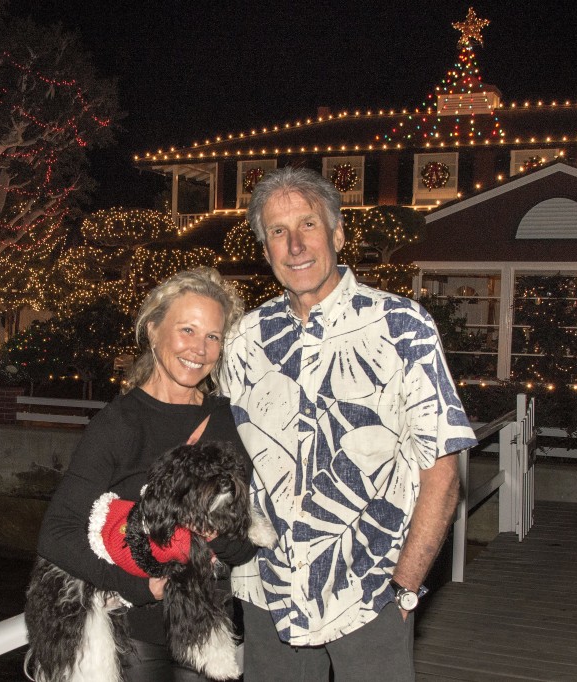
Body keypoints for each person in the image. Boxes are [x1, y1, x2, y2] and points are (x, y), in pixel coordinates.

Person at [222, 167, 478, 681]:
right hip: (265, 591)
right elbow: (227, 462)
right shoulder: (244, 339)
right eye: (277, 231)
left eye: (308, 225)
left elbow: (443, 471)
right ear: (265, 247)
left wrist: (404, 585)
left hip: (367, 589)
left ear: (337, 234)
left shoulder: (402, 326)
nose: (295, 245)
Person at [36, 267, 257, 681]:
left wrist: (215, 534)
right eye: (187, 330)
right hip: (136, 636)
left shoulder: (228, 421)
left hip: (210, 630)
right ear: (153, 330)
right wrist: (140, 587)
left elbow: (244, 547)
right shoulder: (120, 424)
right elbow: (57, 533)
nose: (200, 348)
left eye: (213, 336)